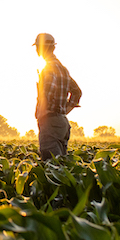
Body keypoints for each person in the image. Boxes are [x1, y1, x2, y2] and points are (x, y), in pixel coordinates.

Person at [34, 33, 81, 161]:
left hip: (50, 122)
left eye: (37, 47)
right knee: (61, 166)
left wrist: (43, 111)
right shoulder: (63, 69)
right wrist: (64, 110)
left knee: (51, 165)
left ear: (41, 48)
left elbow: (47, 93)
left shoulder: (48, 68)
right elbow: (77, 92)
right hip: (62, 122)